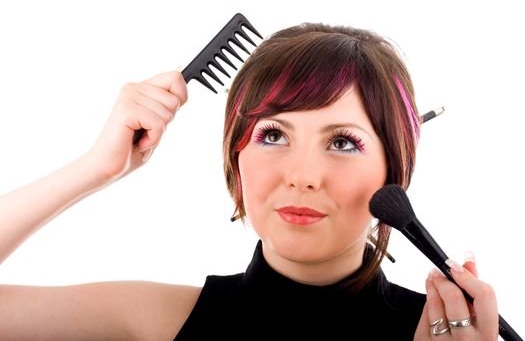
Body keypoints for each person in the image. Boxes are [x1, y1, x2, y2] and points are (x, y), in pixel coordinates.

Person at [0, 22, 498, 340]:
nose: (302, 176)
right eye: (274, 134)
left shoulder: (446, 338)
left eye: (342, 142)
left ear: (395, 172)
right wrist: (96, 167)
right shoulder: (153, 320)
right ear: (236, 157)